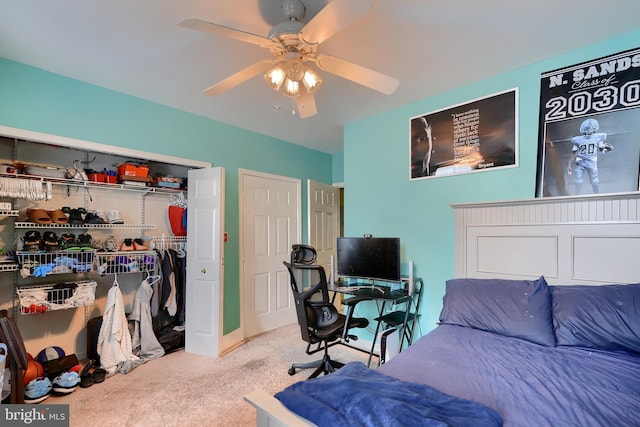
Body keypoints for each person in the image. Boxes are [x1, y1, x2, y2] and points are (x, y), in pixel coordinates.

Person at [567, 118, 613, 194]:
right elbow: (574, 153)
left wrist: (607, 149)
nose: (588, 130)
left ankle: (596, 196)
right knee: (581, 181)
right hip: (583, 161)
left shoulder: (578, 139)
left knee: (592, 180)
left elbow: (574, 153)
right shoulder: (597, 138)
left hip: (587, 161)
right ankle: (577, 197)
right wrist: (569, 165)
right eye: (587, 129)